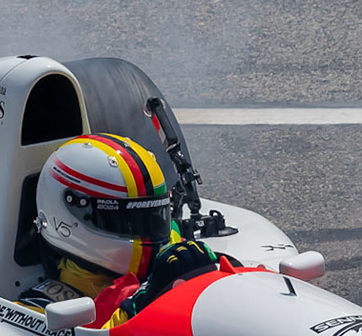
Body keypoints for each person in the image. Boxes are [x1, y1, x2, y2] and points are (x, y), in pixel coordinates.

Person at [23, 133, 220, 326]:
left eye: (153, 216)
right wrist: (137, 306)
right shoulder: (41, 309)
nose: (147, 230)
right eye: (128, 221)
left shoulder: (172, 245)